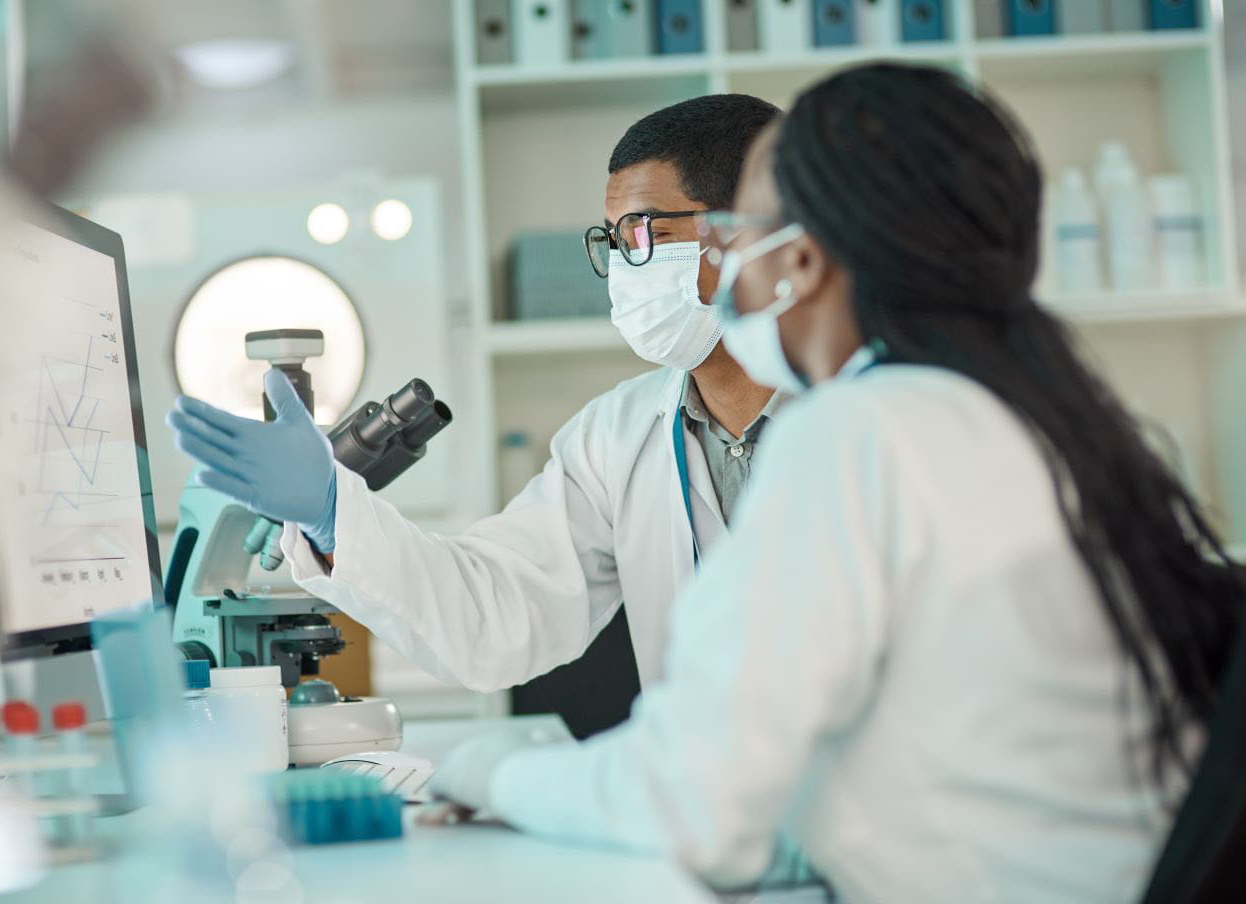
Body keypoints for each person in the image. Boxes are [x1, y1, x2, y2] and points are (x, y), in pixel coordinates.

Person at [425, 63, 1246, 902]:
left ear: (803, 257)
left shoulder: (860, 431)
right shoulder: (1043, 414)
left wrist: (492, 771)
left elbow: (693, 801)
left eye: (741, 228)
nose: (724, 260)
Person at [166, 94, 786, 738]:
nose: (623, 265)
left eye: (640, 231)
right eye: (611, 239)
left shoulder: (866, 417)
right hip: (714, 813)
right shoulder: (616, 438)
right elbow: (492, 618)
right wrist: (331, 511)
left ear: (746, 227)